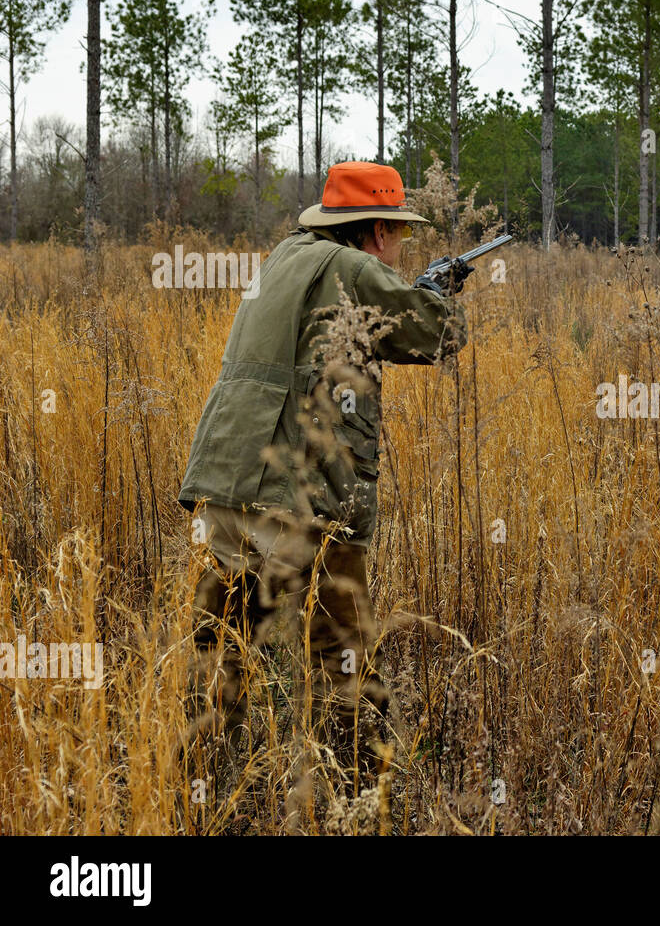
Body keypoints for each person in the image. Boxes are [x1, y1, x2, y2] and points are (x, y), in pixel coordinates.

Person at [178, 161, 466, 790]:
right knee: (344, 650)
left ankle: (193, 783)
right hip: (303, 497)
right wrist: (441, 293)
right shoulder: (357, 268)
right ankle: (362, 792)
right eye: (397, 233)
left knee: (222, 644)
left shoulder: (286, 255)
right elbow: (439, 334)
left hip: (228, 480)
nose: (398, 247)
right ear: (374, 231)